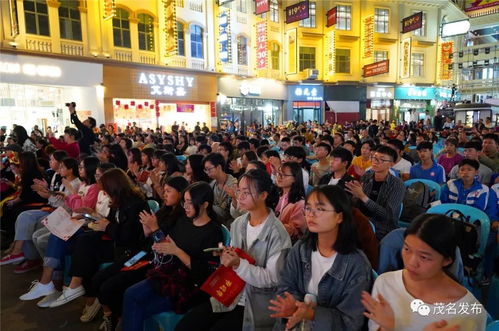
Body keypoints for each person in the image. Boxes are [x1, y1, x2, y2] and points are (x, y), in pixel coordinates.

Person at [176, 169, 292, 331]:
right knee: (185, 326)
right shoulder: (239, 223)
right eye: (239, 191)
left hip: (256, 302)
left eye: (247, 192)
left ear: (263, 195)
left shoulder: (277, 235)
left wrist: (238, 264)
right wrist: (227, 258)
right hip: (231, 292)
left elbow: (272, 280)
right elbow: (233, 261)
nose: (240, 196)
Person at [122, 182, 223, 331]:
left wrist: (176, 251)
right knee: (130, 293)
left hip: (189, 285)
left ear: (205, 204)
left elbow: (206, 273)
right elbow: (167, 243)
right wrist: (154, 233)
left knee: (139, 306)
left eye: (190, 202)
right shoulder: (184, 221)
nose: (185, 206)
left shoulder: (213, 232)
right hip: (170, 274)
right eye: (185, 201)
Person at [269, 185, 372, 330]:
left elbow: (351, 322)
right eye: (308, 208)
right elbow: (285, 288)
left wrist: (311, 314)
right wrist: (292, 306)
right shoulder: (301, 249)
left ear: (339, 216)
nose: (311, 214)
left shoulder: (356, 264)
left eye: (320, 209)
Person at [362, 214, 487, 331]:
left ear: (447, 260)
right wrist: (388, 327)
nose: (411, 263)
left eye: (424, 257)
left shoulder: (469, 311)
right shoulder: (385, 283)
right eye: (407, 249)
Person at [48, 168, 149, 309]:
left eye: (106, 190)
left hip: (130, 250)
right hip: (116, 240)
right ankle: (77, 287)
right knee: (84, 240)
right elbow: (111, 222)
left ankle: (81, 290)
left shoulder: (135, 204)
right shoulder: (118, 200)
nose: (105, 194)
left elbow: (128, 236)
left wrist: (106, 226)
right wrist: (93, 215)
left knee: (87, 247)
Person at [345, 146, 405, 240]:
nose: (375, 161)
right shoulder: (367, 176)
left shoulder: (397, 185)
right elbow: (358, 205)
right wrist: (355, 196)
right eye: (374, 158)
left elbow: (388, 216)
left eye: (381, 160)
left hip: (382, 227)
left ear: (391, 164)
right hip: (361, 219)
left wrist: (363, 196)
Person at [203, 153, 237, 227]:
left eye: (209, 169)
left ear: (218, 167)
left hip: (230, 225)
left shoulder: (233, 185)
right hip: (216, 222)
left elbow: (226, 213)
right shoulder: (212, 184)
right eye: (206, 170)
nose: (207, 172)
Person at [275, 162, 306, 242]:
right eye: (278, 174)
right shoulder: (277, 196)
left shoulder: (299, 203)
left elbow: (294, 231)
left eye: (284, 175)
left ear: (295, 178)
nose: (279, 177)